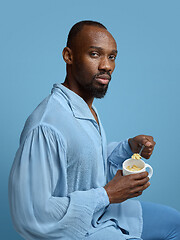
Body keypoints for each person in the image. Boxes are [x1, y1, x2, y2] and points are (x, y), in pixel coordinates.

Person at [9, 20, 180, 240]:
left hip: (100, 214)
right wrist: (107, 195)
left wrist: (127, 149)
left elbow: (82, 166)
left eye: (112, 56)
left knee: (174, 222)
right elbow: (30, 213)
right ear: (68, 56)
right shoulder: (46, 126)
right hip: (75, 229)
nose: (106, 66)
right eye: (94, 54)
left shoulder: (86, 107)